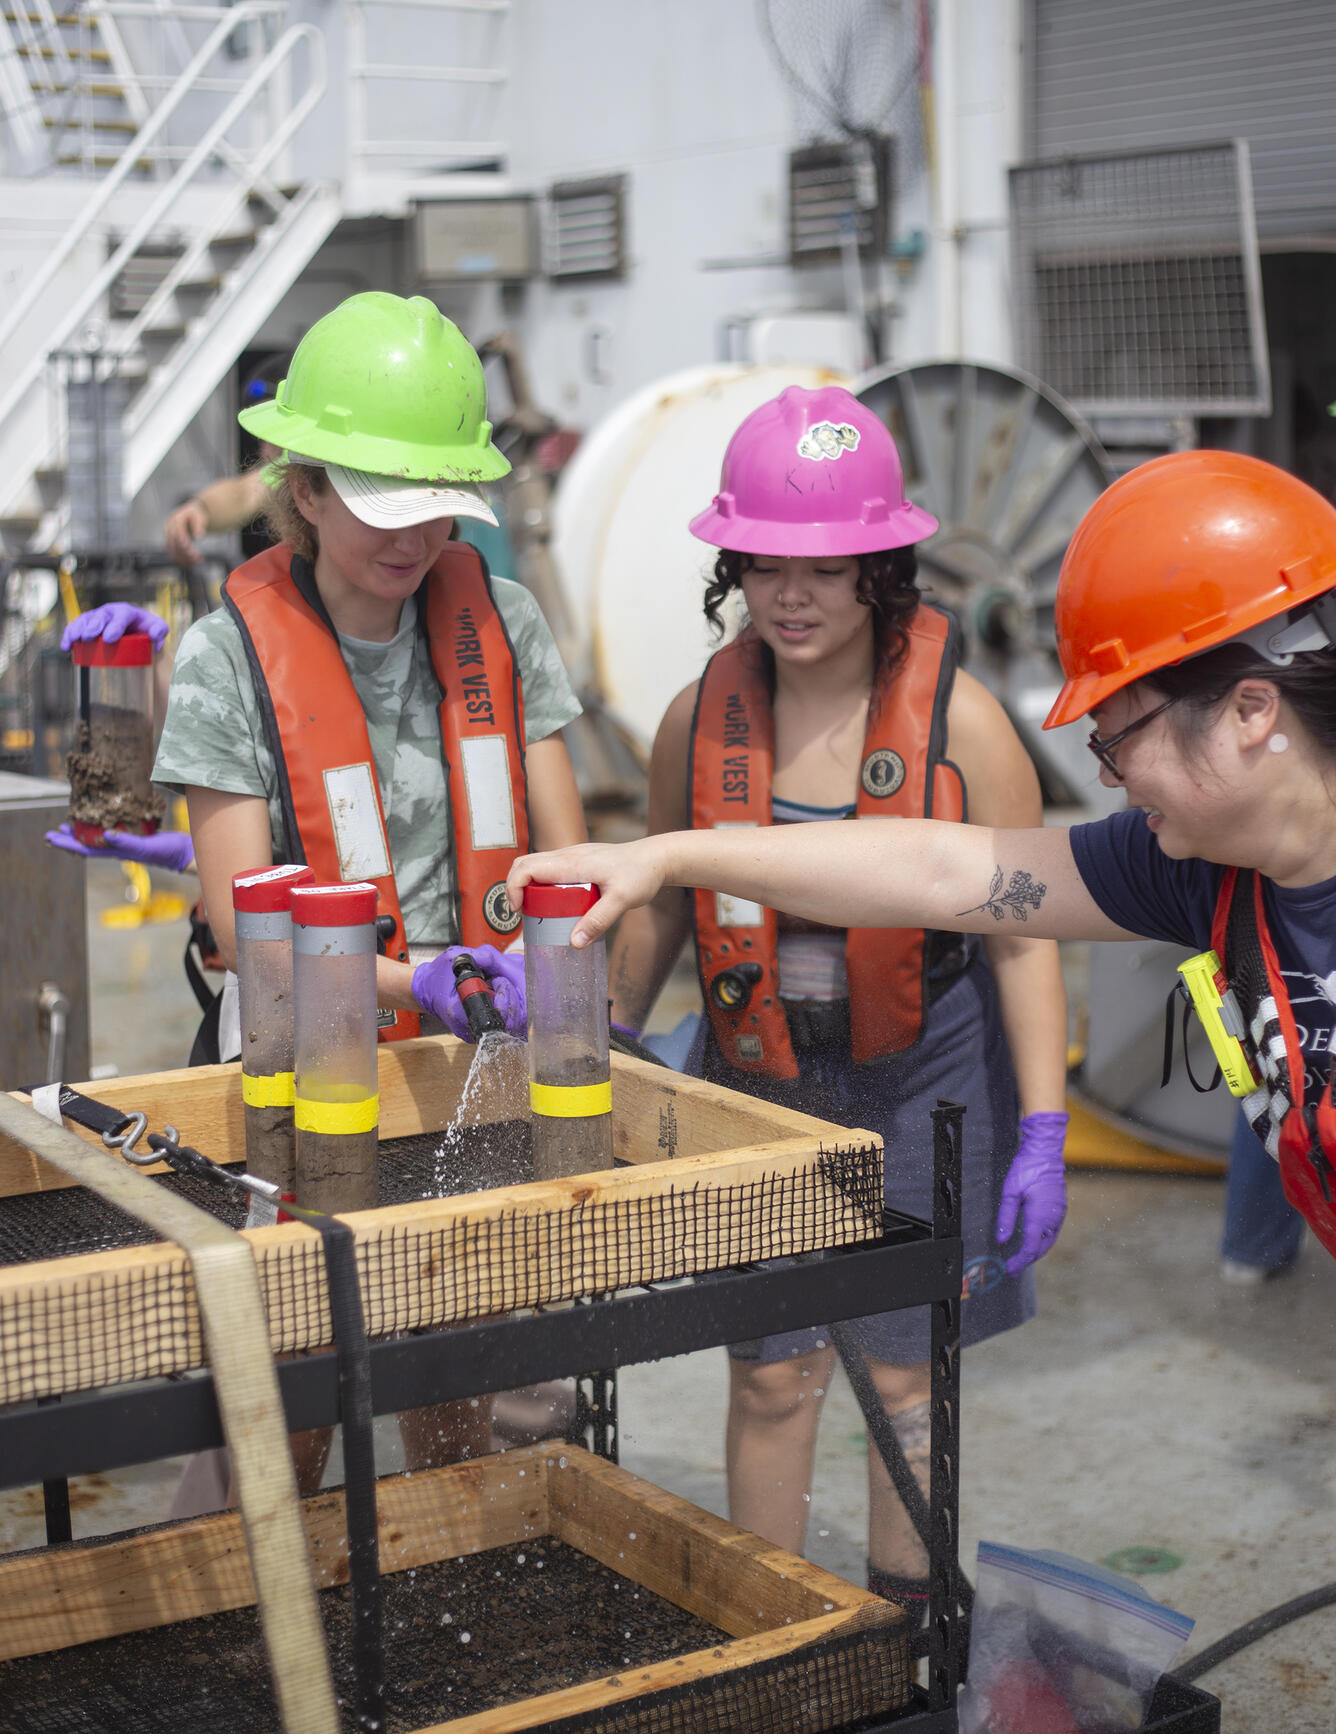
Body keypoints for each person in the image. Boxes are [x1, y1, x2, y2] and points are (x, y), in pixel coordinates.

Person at [506, 450, 1336, 1288]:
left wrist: (1041, 1131)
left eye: (1118, 740)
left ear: (1250, 711)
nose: (1111, 779)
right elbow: (938, 867)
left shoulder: (1175, 844)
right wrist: (665, 855)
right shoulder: (1188, 868)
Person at [602, 386, 1070, 1614]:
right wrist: (601, 1037)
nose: (791, 596)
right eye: (763, 566)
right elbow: (657, 895)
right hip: (756, 1080)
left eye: (825, 568)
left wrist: (1043, 1127)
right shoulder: (695, 718)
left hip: (922, 1077)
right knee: (771, 1376)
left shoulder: (963, 724)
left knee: (903, 1382)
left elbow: (1024, 939)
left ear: (882, 567)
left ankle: (906, 1632)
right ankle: (772, 1631)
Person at [152, 291, 586, 1484]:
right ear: (305, 488)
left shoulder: (502, 618)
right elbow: (250, 929)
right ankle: (261, 1644)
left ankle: (434, 1585)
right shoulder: (225, 657)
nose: (414, 542)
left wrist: (557, 968)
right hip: (300, 1062)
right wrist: (416, 976)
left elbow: (565, 859)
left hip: (474, 1058)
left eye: (439, 508)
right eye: (380, 508)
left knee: (448, 1369)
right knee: (289, 1389)